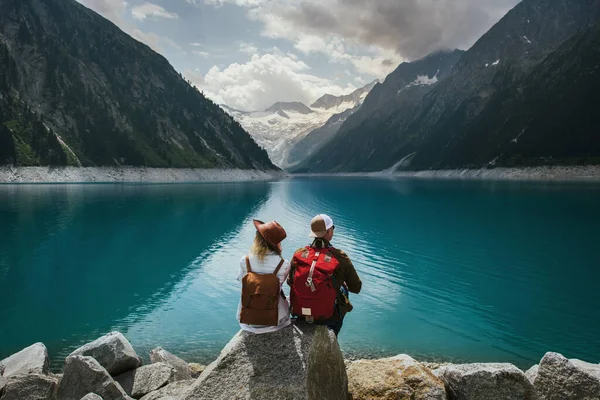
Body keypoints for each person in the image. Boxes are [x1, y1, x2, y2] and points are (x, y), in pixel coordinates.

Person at [288, 214, 362, 336]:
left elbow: (290, 281)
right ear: (328, 231)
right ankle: (332, 334)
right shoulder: (339, 256)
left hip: (300, 312)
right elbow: (356, 287)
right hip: (327, 317)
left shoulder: (299, 254)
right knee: (343, 289)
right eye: (333, 228)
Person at [237, 219, 291, 333]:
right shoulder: (284, 264)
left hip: (248, 320)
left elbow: (242, 284)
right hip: (276, 320)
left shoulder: (244, 260)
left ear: (257, 240)